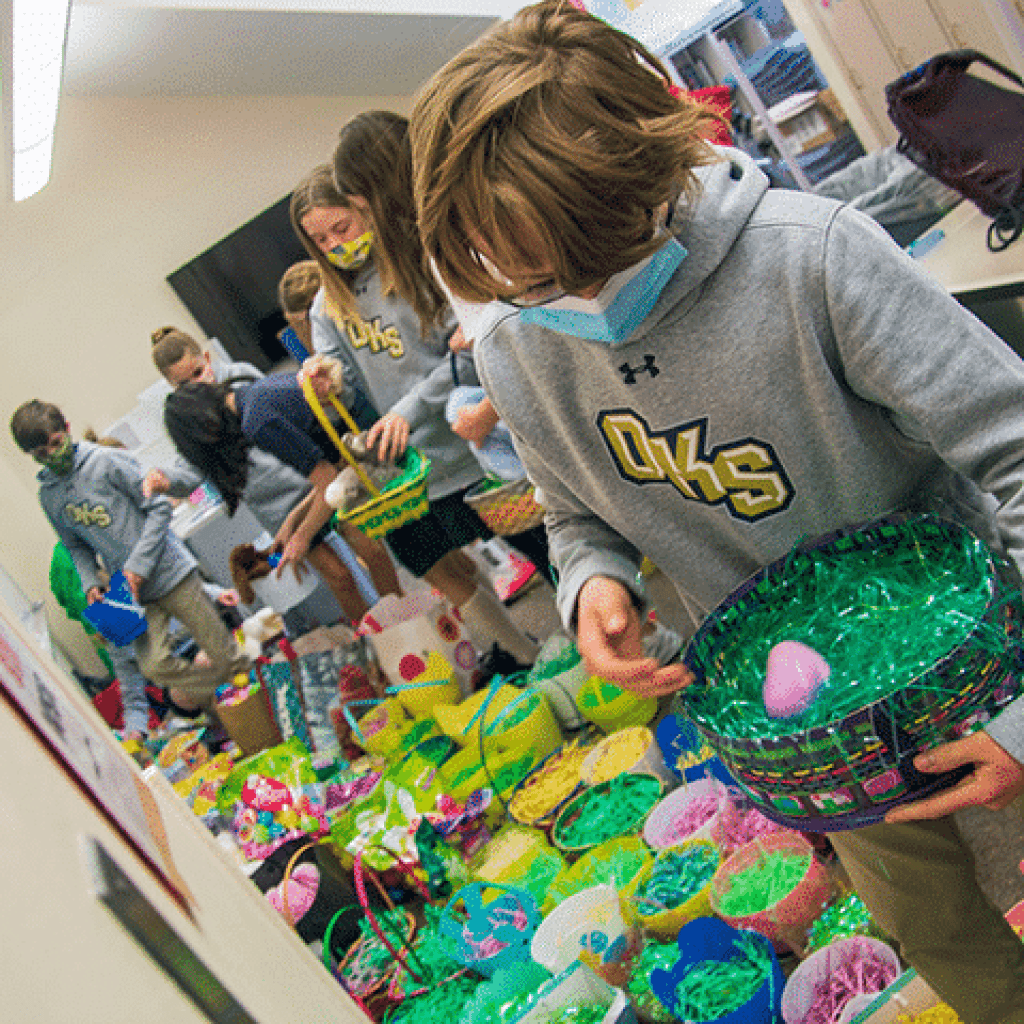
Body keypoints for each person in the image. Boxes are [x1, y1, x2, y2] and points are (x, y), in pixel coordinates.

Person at [409, 4, 1024, 1021]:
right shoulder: (520, 349)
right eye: (516, 281)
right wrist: (591, 580)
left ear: (645, 179)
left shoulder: (810, 259)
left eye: (571, 269)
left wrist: (1015, 715)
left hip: (980, 656)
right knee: (937, 930)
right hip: (816, 746)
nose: (554, 300)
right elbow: (572, 510)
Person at [288, 154, 540, 665]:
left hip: (480, 446)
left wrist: (406, 409)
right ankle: (528, 658)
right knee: (433, 564)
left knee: (542, 546)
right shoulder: (325, 306)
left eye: (343, 227)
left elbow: (467, 354)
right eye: (321, 240)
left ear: (367, 212)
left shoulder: (422, 267)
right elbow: (340, 377)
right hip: (415, 473)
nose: (337, 245)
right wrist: (325, 380)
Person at [147, 326, 401, 623]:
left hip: (321, 481)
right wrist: (295, 523)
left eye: (198, 373)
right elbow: (191, 467)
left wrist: (301, 535)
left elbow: (327, 480)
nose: (198, 385)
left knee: (369, 547)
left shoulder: (252, 404)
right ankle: (378, 640)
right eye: (185, 384)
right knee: (339, 577)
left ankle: (401, 621)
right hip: (295, 500)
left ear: (207, 358)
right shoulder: (206, 417)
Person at [11, 399, 250, 714]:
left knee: (222, 652)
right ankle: (226, 695)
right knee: (154, 665)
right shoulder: (50, 496)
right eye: (42, 454)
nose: (53, 455)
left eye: (56, 444)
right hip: (133, 594)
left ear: (66, 429)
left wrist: (138, 567)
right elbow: (75, 546)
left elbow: (159, 507)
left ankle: (249, 696)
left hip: (170, 571)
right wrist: (89, 583)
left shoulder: (107, 461)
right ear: (32, 457)